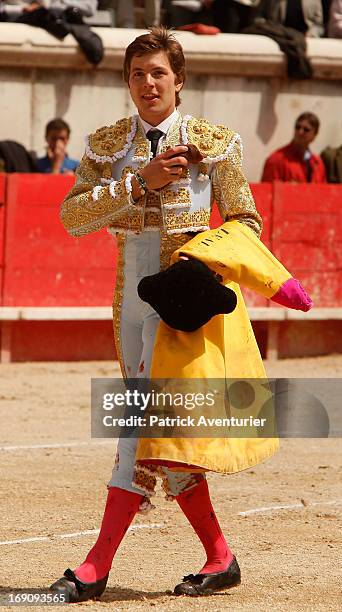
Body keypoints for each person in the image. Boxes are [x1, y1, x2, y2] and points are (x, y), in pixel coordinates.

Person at [49, 27, 278, 602]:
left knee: (137, 430)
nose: (147, 83)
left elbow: (246, 221)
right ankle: (221, 557)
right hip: (129, 305)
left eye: (158, 73)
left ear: (179, 81)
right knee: (160, 438)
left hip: (183, 309)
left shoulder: (214, 142)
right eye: (137, 74)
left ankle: (95, 568)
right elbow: (72, 218)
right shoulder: (108, 144)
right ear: (127, 82)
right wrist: (138, 182)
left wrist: (205, 267)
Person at [261, 112, 326, 182]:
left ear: (315, 135)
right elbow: (266, 191)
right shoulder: (276, 160)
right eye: (297, 127)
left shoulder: (318, 163)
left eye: (306, 130)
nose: (300, 132)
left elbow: (323, 190)